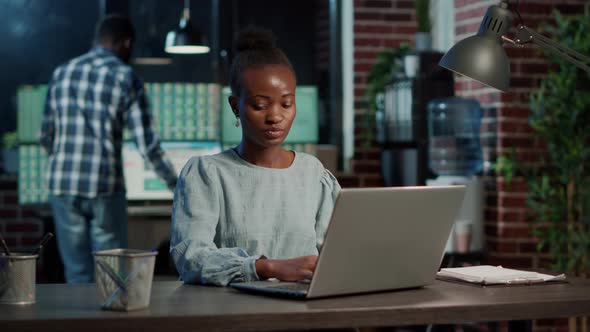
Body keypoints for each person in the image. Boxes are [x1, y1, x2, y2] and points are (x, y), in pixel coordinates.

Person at [170, 27, 341, 286]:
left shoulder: (313, 174)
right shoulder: (207, 174)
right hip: (234, 314)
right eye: (260, 105)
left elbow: (339, 252)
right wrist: (268, 267)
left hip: (304, 310)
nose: (275, 116)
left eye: (286, 104)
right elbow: (191, 259)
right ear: (234, 105)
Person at [40, 15, 177, 283]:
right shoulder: (125, 77)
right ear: (125, 42)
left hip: (62, 185)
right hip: (103, 184)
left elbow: (46, 135)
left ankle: (80, 323)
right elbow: (146, 143)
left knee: (77, 272)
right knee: (110, 272)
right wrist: (177, 184)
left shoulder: (62, 72)